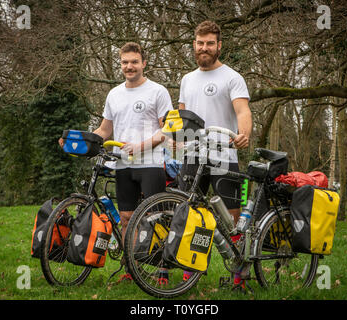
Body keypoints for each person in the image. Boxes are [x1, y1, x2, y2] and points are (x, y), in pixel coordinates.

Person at [62, 42, 172, 281]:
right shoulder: (114, 94)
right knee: (126, 219)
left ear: (144, 63)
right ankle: (132, 270)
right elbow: (104, 129)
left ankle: (162, 271)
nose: (129, 66)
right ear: (120, 64)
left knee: (156, 217)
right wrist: (77, 142)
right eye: (125, 62)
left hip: (150, 164)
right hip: (122, 165)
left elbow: (167, 130)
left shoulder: (158, 91)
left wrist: (141, 146)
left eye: (134, 62)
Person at [177, 21, 252, 290]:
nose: (204, 48)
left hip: (223, 153)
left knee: (230, 217)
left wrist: (243, 132)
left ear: (219, 46)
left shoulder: (232, 77)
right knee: (188, 212)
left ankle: (239, 276)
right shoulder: (187, 79)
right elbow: (181, 117)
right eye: (200, 43)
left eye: (210, 43)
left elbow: (242, 111)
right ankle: (189, 272)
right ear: (194, 45)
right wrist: (176, 141)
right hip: (193, 155)